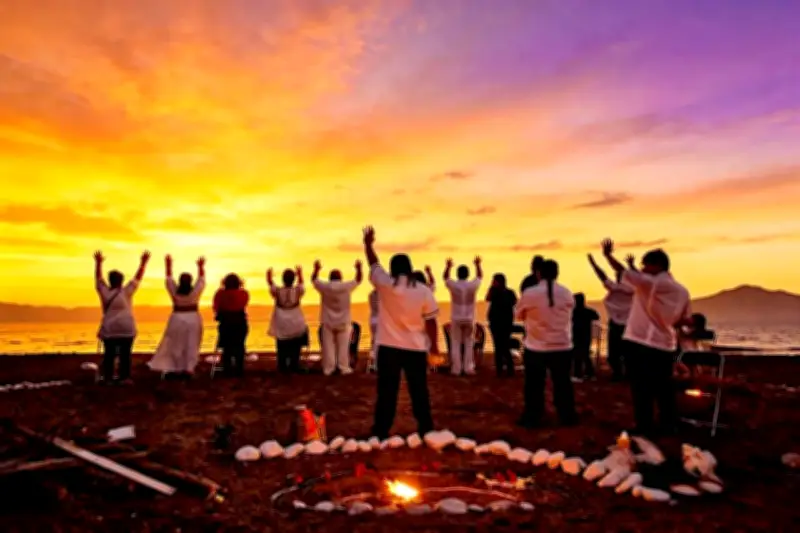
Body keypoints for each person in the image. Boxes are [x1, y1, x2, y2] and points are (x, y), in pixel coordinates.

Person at [601, 239, 691, 436]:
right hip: (666, 345)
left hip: (640, 342)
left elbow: (624, 272)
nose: (643, 268)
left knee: (641, 388)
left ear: (657, 265)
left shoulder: (650, 283)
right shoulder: (683, 291)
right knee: (664, 388)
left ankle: (645, 427)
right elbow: (682, 321)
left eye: (646, 265)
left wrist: (608, 256)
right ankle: (668, 425)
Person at [364, 226, 439, 439]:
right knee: (419, 391)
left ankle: (381, 430)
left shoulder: (386, 285)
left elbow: (373, 263)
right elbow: (431, 321)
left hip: (389, 348)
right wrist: (434, 347)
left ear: (393, 270)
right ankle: (426, 428)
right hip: (415, 348)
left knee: (387, 392)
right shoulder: (423, 291)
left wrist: (368, 245)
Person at [515, 259, 577, 427]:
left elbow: (518, 315)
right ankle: (567, 416)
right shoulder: (566, 293)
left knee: (534, 385)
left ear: (538, 273)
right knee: (563, 383)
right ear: (557, 274)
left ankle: (533, 417)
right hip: (562, 346)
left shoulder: (530, 293)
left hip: (536, 347)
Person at [94, 250, 150, 384]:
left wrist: (98, 263)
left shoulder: (105, 292)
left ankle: (108, 377)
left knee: (110, 354)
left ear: (110, 281)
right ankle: (124, 377)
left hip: (110, 328)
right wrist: (143, 263)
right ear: (121, 281)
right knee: (125, 355)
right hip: (126, 327)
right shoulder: (126, 292)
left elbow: (98, 279)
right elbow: (138, 278)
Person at [148, 255, 206, 379]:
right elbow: (201, 280)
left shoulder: (175, 292)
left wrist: (168, 265)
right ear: (191, 282)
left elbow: (169, 279)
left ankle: (176, 368)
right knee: (191, 344)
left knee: (176, 344)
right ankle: (188, 369)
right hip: (192, 318)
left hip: (177, 318)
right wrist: (200, 266)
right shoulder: (194, 293)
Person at [312, 260, 363, 375]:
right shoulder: (346, 286)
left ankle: (329, 368)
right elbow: (358, 280)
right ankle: (343, 367)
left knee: (328, 346)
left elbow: (314, 280)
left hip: (328, 321)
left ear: (330, 278)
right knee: (344, 346)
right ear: (341, 278)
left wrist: (316, 269)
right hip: (343, 322)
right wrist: (358, 268)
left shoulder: (325, 287)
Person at [588, 254, 634, 381]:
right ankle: (624, 374)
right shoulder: (632, 289)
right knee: (625, 353)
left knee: (615, 353)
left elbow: (602, 276)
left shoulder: (619, 288)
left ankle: (620, 373)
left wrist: (594, 264)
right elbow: (604, 276)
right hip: (626, 324)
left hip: (619, 324)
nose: (615, 276)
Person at [444, 257, 483, 375]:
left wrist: (448, 266)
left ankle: (456, 369)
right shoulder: (472, 285)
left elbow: (445, 278)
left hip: (456, 318)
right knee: (469, 343)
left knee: (455, 343)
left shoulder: (454, 285)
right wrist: (477, 265)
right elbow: (480, 276)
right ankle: (468, 368)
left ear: (458, 274)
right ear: (467, 274)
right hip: (469, 317)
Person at [267, 266, 307, 374]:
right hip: (296, 320)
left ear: (283, 279)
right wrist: (300, 274)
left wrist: (269, 276)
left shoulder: (278, 292)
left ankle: (282, 365)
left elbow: (271, 285)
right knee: (295, 345)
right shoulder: (297, 291)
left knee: (281, 345)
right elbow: (302, 284)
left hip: (281, 322)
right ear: (293, 279)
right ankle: (294, 365)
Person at [213, 273, 250, 376]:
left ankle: (227, 367)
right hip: (240, 323)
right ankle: (239, 368)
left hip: (226, 324)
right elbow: (244, 304)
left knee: (227, 347)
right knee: (240, 345)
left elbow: (216, 307)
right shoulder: (243, 293)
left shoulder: (220, 294)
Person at [485, 273, 517, 377]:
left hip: (505, 323)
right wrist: (491, 287)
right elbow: (487, 298)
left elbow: (514, 302)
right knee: (498, 346)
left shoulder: (509, 292)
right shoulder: (494, 292)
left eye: (494, 281)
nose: (493, 283)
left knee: (504, 345)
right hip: (496, 323)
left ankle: (509, 369)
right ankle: (500, 369)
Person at [571, 293, 600, 381]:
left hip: (576, 335)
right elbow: (596, 317)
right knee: (585, 354)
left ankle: (578, 374)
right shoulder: (587, 311)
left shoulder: (573, 311)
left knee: (577, 355)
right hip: (585, 336)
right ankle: (589, 373)